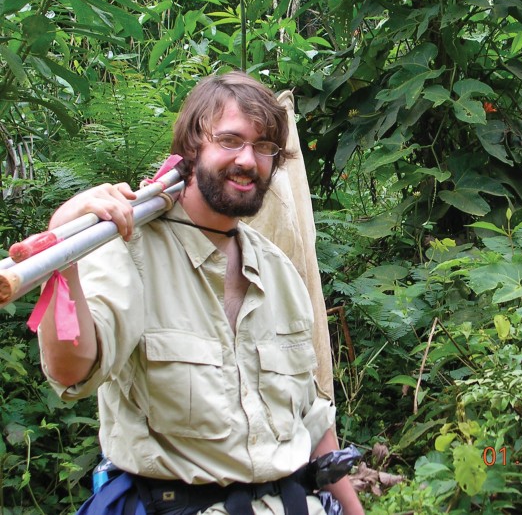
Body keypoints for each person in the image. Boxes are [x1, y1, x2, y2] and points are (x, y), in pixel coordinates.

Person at [36, 71, 365, 515]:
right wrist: (63, 254)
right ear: (191, 149)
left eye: (264, 147)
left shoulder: (278, 270)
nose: (248, 160)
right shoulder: (130, 250)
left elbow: (311, 423)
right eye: (230, 141)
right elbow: (71, 370)